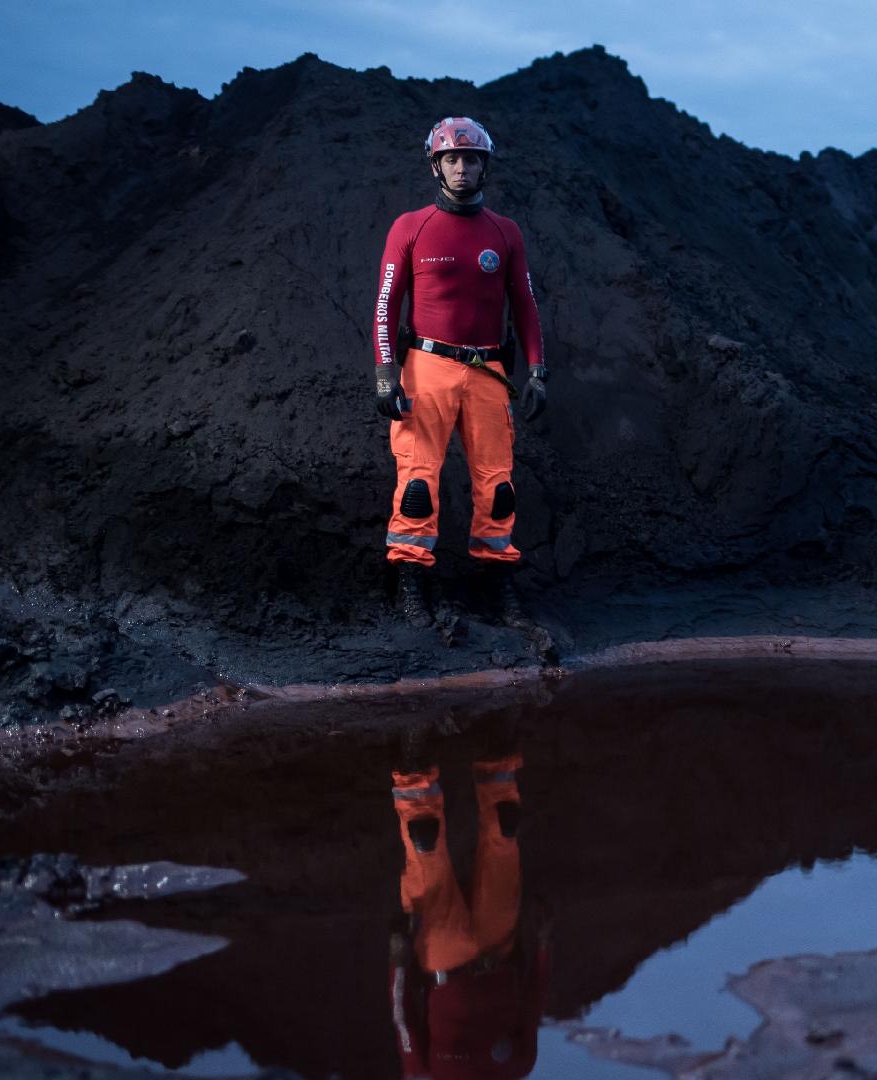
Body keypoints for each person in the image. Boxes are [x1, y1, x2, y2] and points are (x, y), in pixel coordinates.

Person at [373, 116, 549, 629]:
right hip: (426, 366)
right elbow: (386, 305)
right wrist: (387, 374)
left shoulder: (505, 232)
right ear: (436, 165)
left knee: (497, 485)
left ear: (484, 167)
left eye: (471, 159)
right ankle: (410, 584)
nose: (462, 168)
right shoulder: (411, 227)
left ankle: (498, 584)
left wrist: (538, 372)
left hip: (489, 369)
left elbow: (526, 305)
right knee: (418, 481)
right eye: (452, 158)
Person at [388, 725, 550, 1078]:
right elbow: (532, 1004)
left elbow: (406, 1028)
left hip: (445, 959)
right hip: (498, 947)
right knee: (504, 830)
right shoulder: (518, 1066)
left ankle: (414, 765)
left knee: (425, 846)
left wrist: (398, 965)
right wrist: (539, 945)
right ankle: (499, 746)